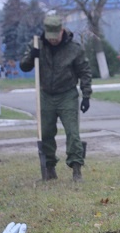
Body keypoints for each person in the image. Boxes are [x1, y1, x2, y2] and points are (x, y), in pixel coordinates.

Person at [20, 15, 92, 182]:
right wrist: (32, 55)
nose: (52, 40)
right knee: (45, 132)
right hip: (45, 94)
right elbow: (24, 66)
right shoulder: (37, 44)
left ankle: (76, 169)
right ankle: (49, 168)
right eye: (49, 37)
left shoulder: (74, 48)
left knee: (72, 133)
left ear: (62, 31)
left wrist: (86, 95)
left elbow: (85, 72)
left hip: (67, 94)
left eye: (55, 37)